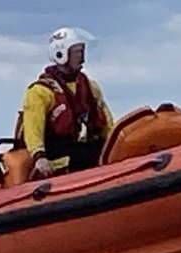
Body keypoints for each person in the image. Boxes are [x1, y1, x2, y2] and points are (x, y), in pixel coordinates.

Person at [15, 26, 113, 178]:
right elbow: (33, 130)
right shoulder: (41, 92)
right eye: (77, 52)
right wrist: (39, 157)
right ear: (61, 53)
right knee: (82, 156)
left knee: (91, 153)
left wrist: (115, 141)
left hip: (86, 150)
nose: (82, 58)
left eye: (82, 52)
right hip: (57, 157)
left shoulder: (90, 87)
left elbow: (107, 122)